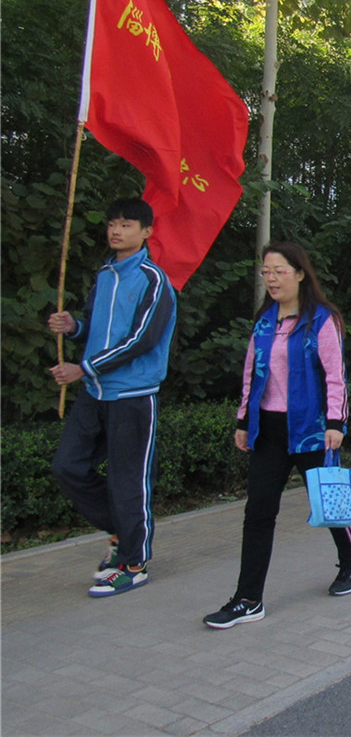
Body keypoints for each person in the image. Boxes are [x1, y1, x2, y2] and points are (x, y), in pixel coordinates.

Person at [203, 242, 351, 629]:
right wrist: (243, 420)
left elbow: (336, 375)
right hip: (268, 430)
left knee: (329, 503)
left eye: (279, 271)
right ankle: (248, 599)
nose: (271, 278)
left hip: (310, 428)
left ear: (300, 273)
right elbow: (250, 374)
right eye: (266, 271)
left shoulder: (322, 320)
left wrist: (336, 423)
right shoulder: (264, 321)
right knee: (258, 512)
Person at [49, 197, 177, 598]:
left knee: (129, 481)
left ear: (146, 232)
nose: (116, 231)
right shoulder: (104, 275)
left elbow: (141, 340)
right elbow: (96, 328)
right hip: (95, 392)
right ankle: (123, 534)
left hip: (133, 395)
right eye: (112, 223)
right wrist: (73, 327)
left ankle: (134, 563)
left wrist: (83, 368)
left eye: (125, 224)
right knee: (67, 466)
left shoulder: (154, 280)